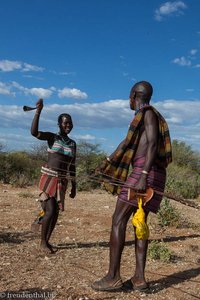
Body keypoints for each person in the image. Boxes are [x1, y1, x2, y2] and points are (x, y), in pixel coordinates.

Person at [92, 81, 172, 291]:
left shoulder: (147, 113)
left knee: (118, 220)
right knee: (140, 223)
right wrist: (106, 164)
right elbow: (125, 144)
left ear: (134, 94)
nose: (128, 98)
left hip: (143, 174)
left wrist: (143, 175)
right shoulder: (142, 119)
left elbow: (153, 143)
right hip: (148, 174)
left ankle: (113, 277)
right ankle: (139, 279)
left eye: (129, 94)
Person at [30, 99, 76, 253]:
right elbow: (34, 132)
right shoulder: (52, 137)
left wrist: (74, 186)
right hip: (49, 177)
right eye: (65, 123)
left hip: (62, 180)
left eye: (70, 123)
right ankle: (43, 242)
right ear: (59, 124)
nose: (68, 126)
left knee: (55, 212)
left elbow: (72, 166)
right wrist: (38, 111)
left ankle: (47, 241)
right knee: (50, 209)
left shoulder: (72, 144)